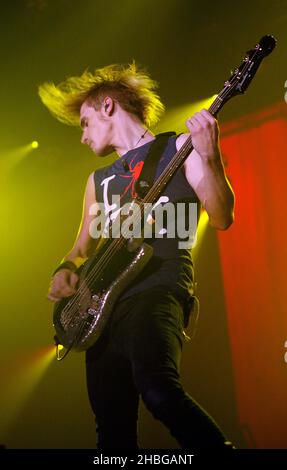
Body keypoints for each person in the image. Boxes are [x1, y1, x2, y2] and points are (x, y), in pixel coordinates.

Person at [39, 62, 235, 449]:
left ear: (107, 106)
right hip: (101, 310)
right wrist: (65, 268)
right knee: (112, 431)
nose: (81, 138)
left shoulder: (178, 147)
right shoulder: (98, 180)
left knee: (159, 389)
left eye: (83, 122)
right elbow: (82, 247)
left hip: (157, 288)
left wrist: (210, 157)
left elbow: (223, 217)